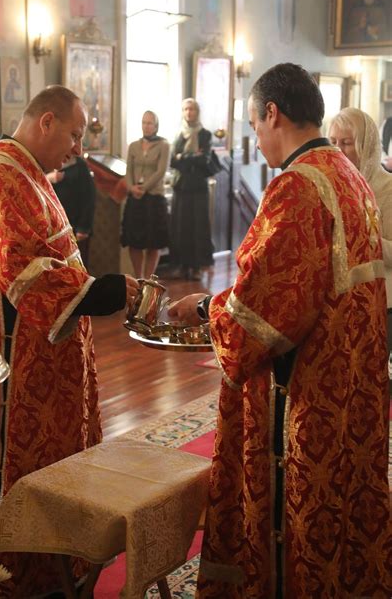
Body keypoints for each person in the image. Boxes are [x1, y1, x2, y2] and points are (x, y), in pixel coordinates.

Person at [168, 64, 390, 598]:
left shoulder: (298, 186)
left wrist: (206, 311)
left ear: (273, 113)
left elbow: (263, 315)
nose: (255, 138)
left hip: (307, 393)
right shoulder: (351, 175)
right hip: (352, 382)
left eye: (253, 123)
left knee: (298, 522)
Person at [0, 85, 139, 597]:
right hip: (8, 368)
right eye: (73, 133)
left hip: (42, 357)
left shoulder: (27, 173)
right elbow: (27, 275)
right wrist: (109, 290)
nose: (76, 147)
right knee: (9, 470)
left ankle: (49, 567)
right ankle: (9, 572)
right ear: (45, 122)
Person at [329, 107, 392, 347]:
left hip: (382, 305)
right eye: (332, 141)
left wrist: (362, 237)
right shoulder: (330, 187)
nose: (337, 150)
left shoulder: (388, 188)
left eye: (346, 143)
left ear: (367, 146)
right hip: (340, 306)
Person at [121, 110, 170, 278]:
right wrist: (131, 187)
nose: (146, 126)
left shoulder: (164, 145)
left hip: (154, 198)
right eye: (144, 122)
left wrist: (143, 188)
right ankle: (139, 278)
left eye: (150, 123)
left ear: (156, 126)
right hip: (135, 197)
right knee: (134, 242)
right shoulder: (133, 145)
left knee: (153, 242)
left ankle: (148, 280)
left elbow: (161, 171)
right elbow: (128, 169)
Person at [170, 98, 214, 281]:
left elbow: (204, 160)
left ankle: (196, 267)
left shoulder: (205, 135)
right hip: (181, 187)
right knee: (181, 227)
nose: (189, 113)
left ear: (197, 112)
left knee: (197, 227)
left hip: (198, 188)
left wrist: (183, 158)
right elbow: (173, 161)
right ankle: (182, 266)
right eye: (186, 109)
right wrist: (191, 157)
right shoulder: (178, 134)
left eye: (192, 109)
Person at [48, 154, 96, 268]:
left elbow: (88, 198)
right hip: (54, 228)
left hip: (76, 225)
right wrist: (49, 178)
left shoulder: (80, 166)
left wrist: (83, 227)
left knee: (77, 266)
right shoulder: (47, 163)